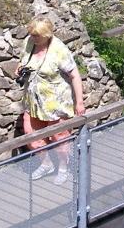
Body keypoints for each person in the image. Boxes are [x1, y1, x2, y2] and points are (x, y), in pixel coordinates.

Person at [16, 17, 86, 185]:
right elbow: (23, 61)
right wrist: (19, 69)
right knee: (31, 134)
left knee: (58, 136)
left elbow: (74, 75)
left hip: (56, 102)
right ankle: (46, 163)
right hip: (33, 101)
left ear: (47, 35)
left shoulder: (58, 50)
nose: (32, 38)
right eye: (31, 34)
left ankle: (63, 167)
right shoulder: (29, 42)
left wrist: (79, 102)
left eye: (36, 35)